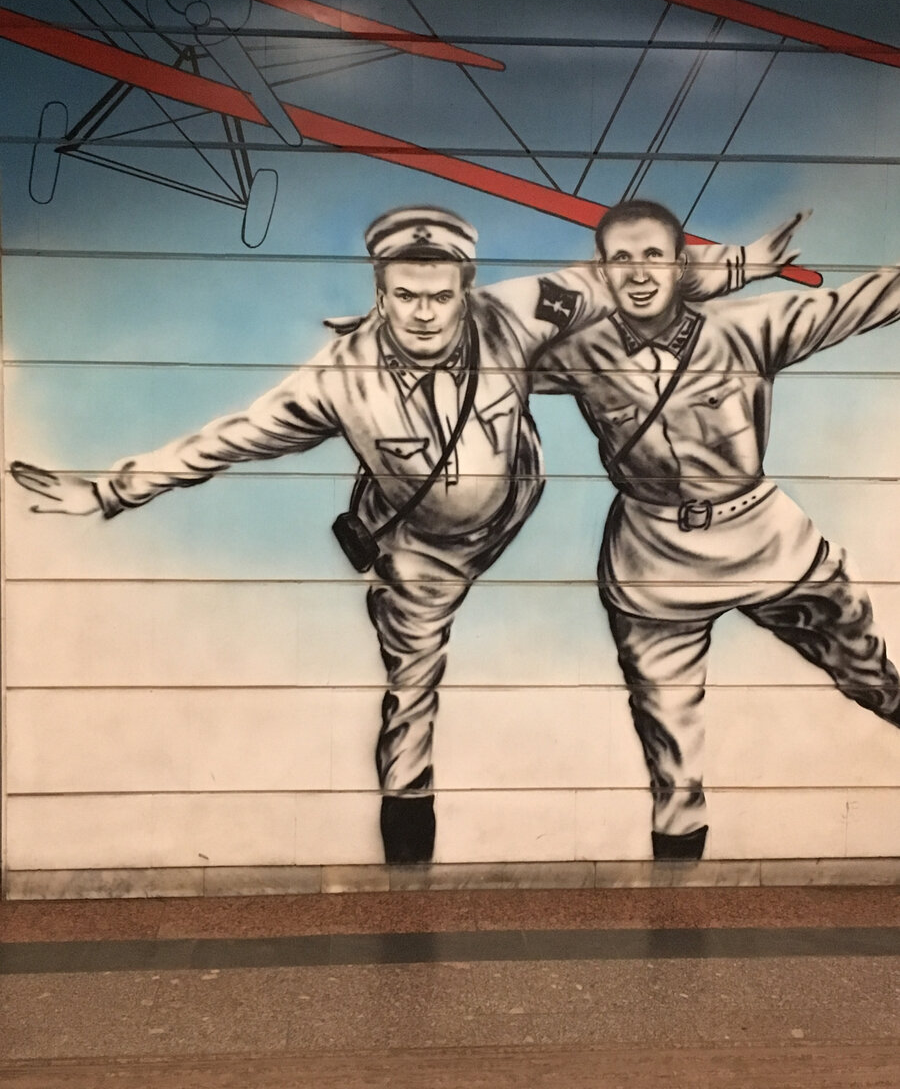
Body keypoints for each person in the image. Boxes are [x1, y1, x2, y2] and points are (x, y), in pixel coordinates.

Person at [9, 203, 800, 864]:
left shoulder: (519, 311)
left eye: (440, 296)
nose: (424, 313)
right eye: (405, 296)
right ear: (380, 294)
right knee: (409, 697)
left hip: (514, 497)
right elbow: (227, 440)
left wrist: (745, 265)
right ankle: (406, 870)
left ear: (467, 291)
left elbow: (628, 281)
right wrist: (108, 490)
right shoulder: (340, 378)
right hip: (422, 549)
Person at [535, 199, 900, 861]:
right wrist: (732, 266)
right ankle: (676, 905)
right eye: (621, 260)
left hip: (765, 543)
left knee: (868, 672)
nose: (639, 273)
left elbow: (860, 303)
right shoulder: (579, 352)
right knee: (671, 765)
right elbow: (480, 339)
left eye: (655, 257)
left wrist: (727, 277)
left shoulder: (748, 329)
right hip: (653, 565)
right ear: (600, 270)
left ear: (682, 264)